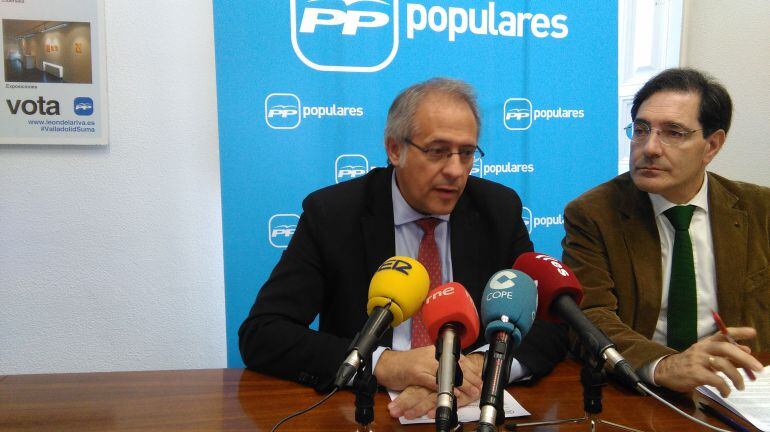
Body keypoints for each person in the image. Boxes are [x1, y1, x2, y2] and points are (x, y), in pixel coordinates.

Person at [240, 78, 567, 419]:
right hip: (369, 408)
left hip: (468, 406)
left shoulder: (497, 210)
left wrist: (481, 366)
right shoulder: (334, 215)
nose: (455, 170)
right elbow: (263, 333)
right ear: (395, 149)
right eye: (438, 151)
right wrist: (384, 363)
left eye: (467, 153)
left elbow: (548, 322)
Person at [562, 68, 768, 397]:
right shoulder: (593, 213)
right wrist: (664, 364)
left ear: (711, 145)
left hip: (742, 386)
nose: (650, 148)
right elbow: (588, 316)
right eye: (641, 130)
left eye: (673, 133)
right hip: (643, 389)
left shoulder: (760, 209)